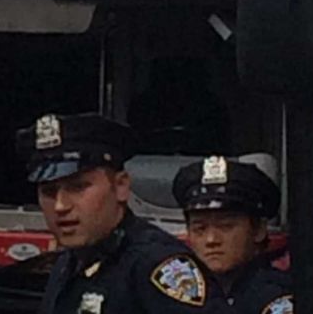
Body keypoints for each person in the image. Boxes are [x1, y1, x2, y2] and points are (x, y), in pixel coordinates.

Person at [16, 113, 224, 314]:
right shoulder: (69, 264)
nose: (60, 206)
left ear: (121, 186)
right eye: (48, 192)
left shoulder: (157, 267)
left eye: (78, 187)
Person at [172, 156, 293, 313]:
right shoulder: (182, 293)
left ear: (258, 230)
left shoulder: (275, 299)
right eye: (200, 228)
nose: (211, 240)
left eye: (225, 226)